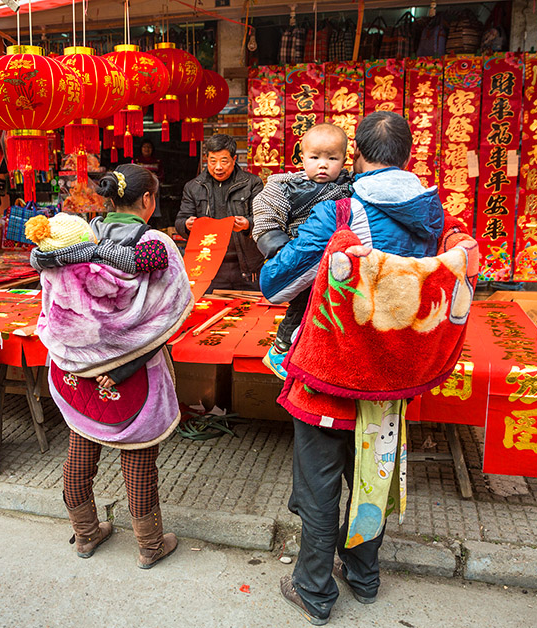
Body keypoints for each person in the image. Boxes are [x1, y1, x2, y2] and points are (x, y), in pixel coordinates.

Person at [260, 111, 446, 625]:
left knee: (319, 483)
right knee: (372, 473)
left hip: (331, 371)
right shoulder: (435, 217)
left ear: (357, 155)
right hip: (393, 376)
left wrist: (273, 247)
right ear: (408, 156)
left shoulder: (342, 213)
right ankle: (363, 576)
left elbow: (276, 283)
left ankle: (314, 589)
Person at [26, 164, 193, 569]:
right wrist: (120, 363)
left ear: (109, 198)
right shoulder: (156, 244)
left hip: (73, 369)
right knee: (137, 460)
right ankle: (150, 546)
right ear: (149, 200)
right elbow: (169, 309)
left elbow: (52, 298)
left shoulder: (78, 237)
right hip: (133, 373)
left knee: (80, 449)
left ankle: (86, 535)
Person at [251, 123, 353, 379]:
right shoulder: (284, 186)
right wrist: (283, 253)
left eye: (332, 158)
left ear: (344, 160)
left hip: (338, 264)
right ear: (301, 157)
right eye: (315, 157)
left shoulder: (350, 185)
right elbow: (266, 220)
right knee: (301, 305)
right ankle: (281, 348)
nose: (323, 165)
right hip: (301, 258)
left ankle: (318, 354)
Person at [175, 134, 264, 291]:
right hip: (208, 265)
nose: (218, 167)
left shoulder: (252, 183)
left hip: (245, 266)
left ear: (234, 159)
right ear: (206, 159)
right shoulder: (193, 187)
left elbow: (263, 220)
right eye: (212, 161)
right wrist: (187, 225)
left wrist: (247, 224)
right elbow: (180, 221)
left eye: (224, 161)